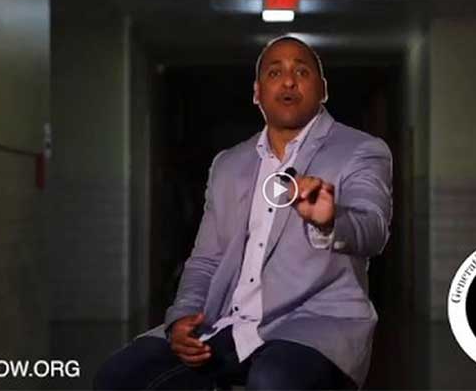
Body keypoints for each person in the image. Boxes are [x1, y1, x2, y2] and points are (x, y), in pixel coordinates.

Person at [94, 35, 393, 390]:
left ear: (323, 90)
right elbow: (206, 259)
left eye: (301, 72)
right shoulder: (228, 163)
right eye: (274, 73)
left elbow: (373, 229)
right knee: (118, 376)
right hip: (226, 323)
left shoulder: (360, 149)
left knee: (272, 380)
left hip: (313, 326)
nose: (288, 81)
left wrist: (330, 220)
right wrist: (182, 318)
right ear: (256, 93)